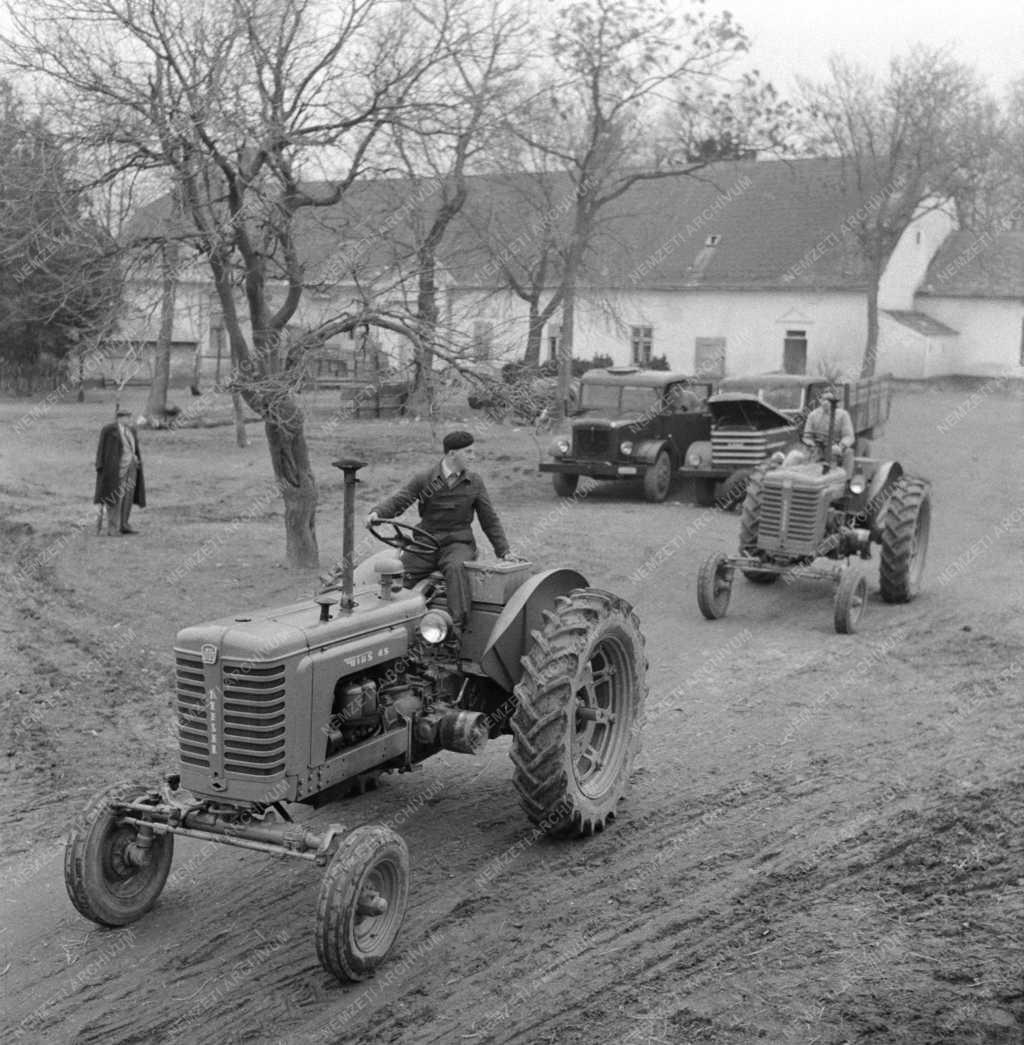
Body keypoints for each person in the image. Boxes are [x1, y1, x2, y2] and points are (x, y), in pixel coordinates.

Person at [366, 430, 514, 633]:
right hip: (426, 543)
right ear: (452, 454)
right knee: (399, 573)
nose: (473, 456)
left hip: (458, 544)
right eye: (468, 452)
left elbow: (489, 520)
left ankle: (456, 628)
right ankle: (391, 626)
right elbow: (400, 500)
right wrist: (377, 513)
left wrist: (504, 551)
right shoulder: (425, 479)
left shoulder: (474, 482)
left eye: (473, 452)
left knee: (455, 568)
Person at [94, 408, 146, 535]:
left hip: (131, 467)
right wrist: (100, 467)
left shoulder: (131, 430)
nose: (129, 419)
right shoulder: (109, 430)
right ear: (120, 418)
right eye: (127, 417)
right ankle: (113, 528)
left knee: (127, 497)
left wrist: (135, 459)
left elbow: (134, 448)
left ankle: (124, 524)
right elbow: (102, 449)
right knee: (114, 497)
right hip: (114, 469)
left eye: (130, 416)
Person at [802, 388, 855, 474]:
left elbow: (849, 436)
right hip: (818, 447)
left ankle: (846, 480)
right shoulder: (813, 415)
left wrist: (840, 446)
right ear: (820, 400)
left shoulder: (843, 415)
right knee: (798, 455)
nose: (826, 402)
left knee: (848, 453)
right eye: (824, 399)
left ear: (834, 401)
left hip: (835, 446)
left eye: (829, 400)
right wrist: (811, 444)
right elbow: (807, 436)